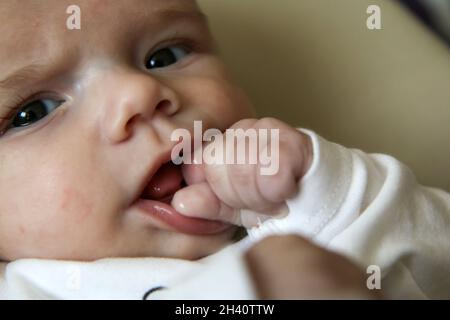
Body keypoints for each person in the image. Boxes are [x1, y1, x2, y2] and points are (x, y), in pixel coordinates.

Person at [0, 0, 448, 299]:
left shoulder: (289, 208)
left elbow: (437, 255)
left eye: (166, 55)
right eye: (33, 111)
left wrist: (325, 192)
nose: (141, 91)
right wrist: (247, 292)